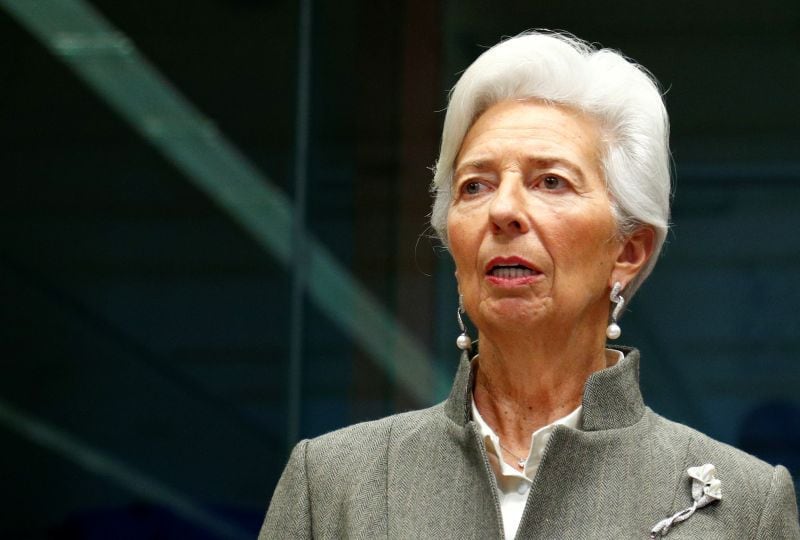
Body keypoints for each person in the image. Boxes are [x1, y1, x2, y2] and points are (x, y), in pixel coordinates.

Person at [259, 31, 800, 539]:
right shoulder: (331, 484)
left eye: (550, 181)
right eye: (477, 185)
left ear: (628, 252)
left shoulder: (742, 506)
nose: (505, 210)